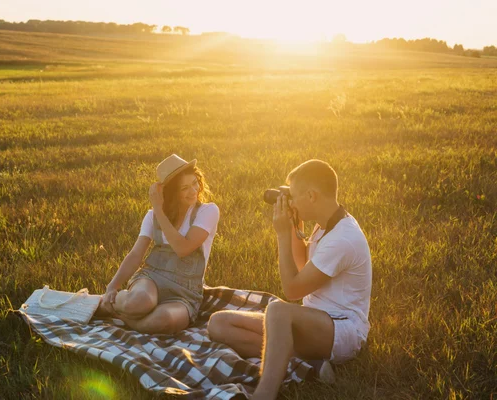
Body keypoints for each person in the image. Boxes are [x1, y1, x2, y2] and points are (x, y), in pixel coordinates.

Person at [207, 159, 372, 399]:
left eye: (293, 196)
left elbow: (292, 291)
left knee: (278, 312)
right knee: (219, 323)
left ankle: (264, 394)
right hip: (316, 323)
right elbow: (303, 265)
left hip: (343, 330)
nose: (291, 201)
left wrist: (282, 235)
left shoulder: (343, 238)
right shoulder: (326, 224)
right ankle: (310, 366)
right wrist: (295, 226)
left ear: (312, 196)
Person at [98, 154, 220, 334]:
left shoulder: (208, 211)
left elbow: (183, 248)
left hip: (184, 292)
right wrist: (112, 286)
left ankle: (117, 314)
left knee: (164, 321)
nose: (193, 191)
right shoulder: (152, 215)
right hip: (151, 278)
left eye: (195, 183)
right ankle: (109, 301)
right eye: (184, 188)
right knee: (139, 302)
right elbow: (136, 254)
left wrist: (159, 211)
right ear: (171, 192)